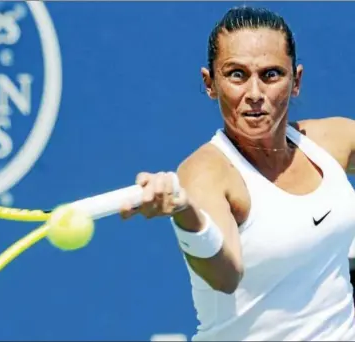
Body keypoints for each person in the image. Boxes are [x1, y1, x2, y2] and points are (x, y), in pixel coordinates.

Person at [120, 6, 355, 341]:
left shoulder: (332, 142)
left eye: (271, 75)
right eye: (237, 75)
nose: (255, 93)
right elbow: (225, 275)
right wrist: (186, 213)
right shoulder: (207, 173)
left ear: (296, 81)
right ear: (210, 84)